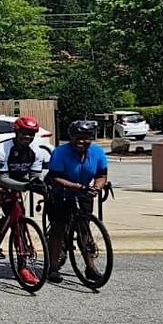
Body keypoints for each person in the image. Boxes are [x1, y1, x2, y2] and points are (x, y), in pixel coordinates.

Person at [0, 116, 48, 285]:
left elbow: (35, 176)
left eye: (31, 134)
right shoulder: (1, 149)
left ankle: (23, 267)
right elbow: (2, 179)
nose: (27, 137)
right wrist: (26, 187)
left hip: (17, 185)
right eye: (24, 133)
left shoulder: (36, 151)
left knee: (20, 226)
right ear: (16, 132)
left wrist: (40, 186)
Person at [45, 119, 108, 283]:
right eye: (77, 137)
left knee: (84, 230)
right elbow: (54, 177)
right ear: (71, 137)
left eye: (86, 137)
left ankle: (90, 267)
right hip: (61, 192)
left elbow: (101, 175)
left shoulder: (97, 152)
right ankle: (52, 267)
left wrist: (97, 187)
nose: (81, 141)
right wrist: (76, 186)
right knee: (59, 228)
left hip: (84, 192)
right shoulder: (60, 152)